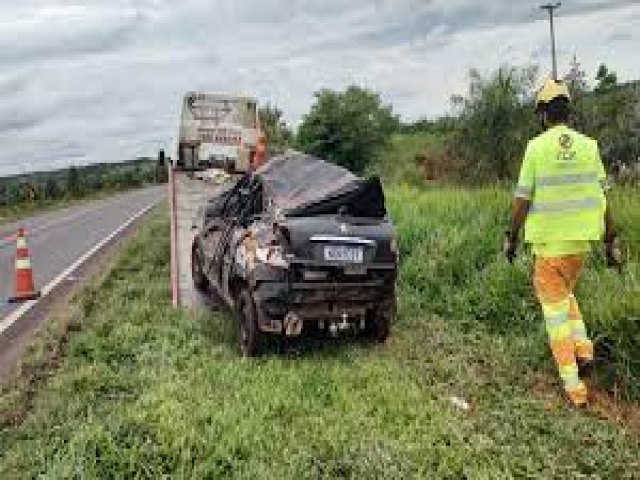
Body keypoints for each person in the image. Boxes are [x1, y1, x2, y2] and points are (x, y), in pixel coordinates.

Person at [504, 78, 621, 407]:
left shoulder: (536, 148)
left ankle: (574, 385)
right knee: (564, 295)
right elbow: (604, 199)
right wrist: (611, 240)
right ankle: (585, 351)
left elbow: (522, 200)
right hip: (581, 246)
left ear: (543, 115)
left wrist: (510, 238)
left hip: (550, 248)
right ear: (567, 111)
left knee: (554, 315)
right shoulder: (590, 146)